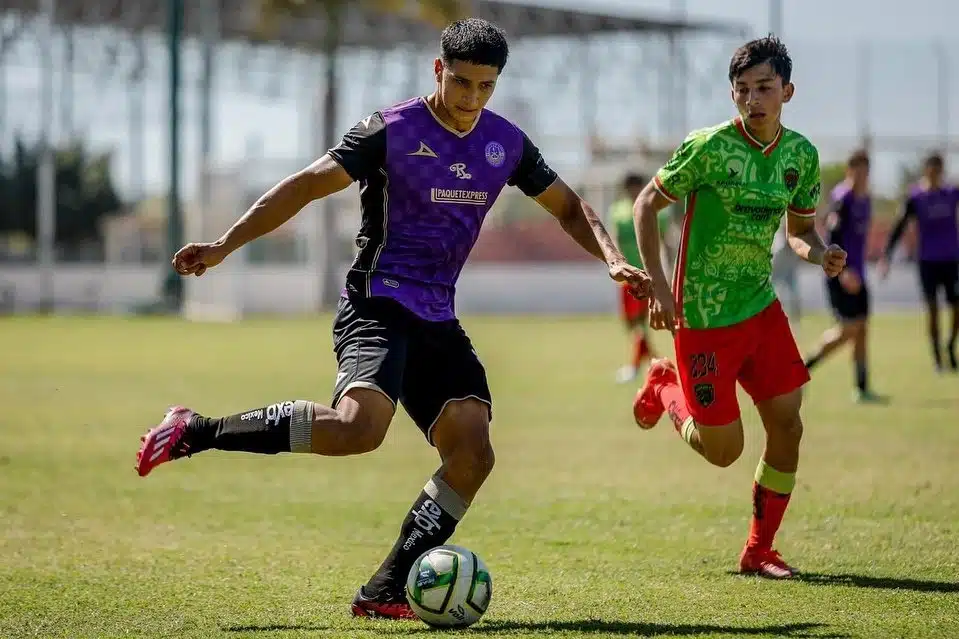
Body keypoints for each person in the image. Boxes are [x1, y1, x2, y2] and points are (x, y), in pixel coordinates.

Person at [134, 18, 649, 620]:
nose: (471, 100)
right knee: (359, 428)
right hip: (376, 300)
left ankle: (385, 588)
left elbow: (569, 208)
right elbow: (304, 186)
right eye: (461, 83)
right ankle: (195, 430)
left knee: (473, 453)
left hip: (437, 315)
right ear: (438, 70)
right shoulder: (390, 130)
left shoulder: (504, 143)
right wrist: (224, 245)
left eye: (486, 87)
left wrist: (613, 258)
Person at [630, 36, 846, 579]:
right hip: (703, 319)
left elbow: (800, 231)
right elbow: (645, 205)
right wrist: (659, 286)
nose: (753, 99)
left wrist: (822, 254)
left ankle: (759, 549)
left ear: (787, 91)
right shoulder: (708, 147)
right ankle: (663, 386)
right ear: (733, 95)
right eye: (744, 90)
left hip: (761, 308)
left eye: (764, 88)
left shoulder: (801, 155)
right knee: (723, 450)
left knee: (789, 426)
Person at [802, 150, 884, 401]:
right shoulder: (842, 198)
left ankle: (861, 388)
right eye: (857, 170)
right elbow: (832, 235)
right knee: (848, 329)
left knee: (861, 330)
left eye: (865, 171)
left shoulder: (866, 200)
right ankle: (802, 369)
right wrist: (844, 271)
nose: (861, 176)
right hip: (841, 274)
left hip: (859, 274)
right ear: (850, 171)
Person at [879, 152, 959, 371]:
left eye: (938, 171)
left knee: (956, 307)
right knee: (932, 309)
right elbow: (900, 224)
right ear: (926, 171)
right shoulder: (916, 197)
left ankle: (951, 345)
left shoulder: (952, 193)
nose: (934, 175)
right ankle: (937, 357)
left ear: (942, 171)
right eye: (931, 171)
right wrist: (886, 255)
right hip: (927, 262)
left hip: (952, 259)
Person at [610, 172, 672, 383]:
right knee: (632, 324)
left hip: (648, 276)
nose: (634, 191)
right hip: (627, 277)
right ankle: (657, 363)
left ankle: (640, 366)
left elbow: (664, 243)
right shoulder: (618, 211)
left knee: (642, 324)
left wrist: (667, 271)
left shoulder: (655, 211)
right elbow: (615, 241)